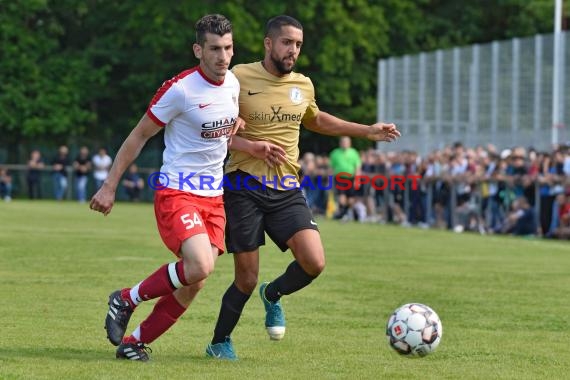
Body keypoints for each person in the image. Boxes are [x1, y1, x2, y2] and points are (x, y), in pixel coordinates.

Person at [205, 15, 400, 360]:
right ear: (269, 43)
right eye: (286, 43)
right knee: (246, 278)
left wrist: (367, 130)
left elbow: (316, 119)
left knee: (314, 262)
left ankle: (273, 294)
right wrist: (251, 146)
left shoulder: (303, 85)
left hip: (286, 187)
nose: (292, 50)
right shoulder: (238, 78)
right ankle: (219, 341)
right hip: (243, 186)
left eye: (297, 45)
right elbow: (216, 130)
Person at [89, 14, 249, 362]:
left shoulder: (233, 85)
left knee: (195, 281)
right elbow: (139, 135)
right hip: (178, 191)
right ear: (198, 50)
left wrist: (238, 132)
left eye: (228, 48)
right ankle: (125, 299)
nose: (223, 56)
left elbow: (221, 136)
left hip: (214, 197)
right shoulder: (180, 90)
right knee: (200, 266)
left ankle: (134, 342)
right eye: (214, 49)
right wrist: (109, 186)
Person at [329, 136, 361, 221]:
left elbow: (357, 167)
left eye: (346, 142)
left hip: (351, 178)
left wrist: (357, 179)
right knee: (341, 196)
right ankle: (343, 214)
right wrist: (330, 180)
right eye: (343, 142)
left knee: (351, 199)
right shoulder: (335, 153)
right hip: (339, 178)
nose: (344, 144)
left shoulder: (354, 153)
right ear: (340, 143)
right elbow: (331, 168)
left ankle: (347, 213)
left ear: (349, 143)